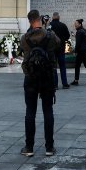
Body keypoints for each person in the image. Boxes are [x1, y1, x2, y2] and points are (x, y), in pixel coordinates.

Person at [20, 9, 61, 157]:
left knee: (30, 112)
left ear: (30, 21)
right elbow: (58, 44)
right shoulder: (50, 36)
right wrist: (46, 28)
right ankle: (49, 147)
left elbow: (23, 52)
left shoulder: (24, 38)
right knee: (47, 111)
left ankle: (29, 147)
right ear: (40, 19)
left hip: (30, 77)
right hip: (47, 78)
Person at [48, 12, 71, 90]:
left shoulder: (49, 26)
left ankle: (55, 85)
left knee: (54, 67)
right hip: (61, 49)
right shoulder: (63, 25)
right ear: (59, 17)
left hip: (52, 49)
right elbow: (68, 36)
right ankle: (65, 84)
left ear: (52, 17)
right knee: (62, 66)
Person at [71, 18, 86, 85]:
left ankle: (76, 80)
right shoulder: (84, 30)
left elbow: (78, 43)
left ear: (80, 24)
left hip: (81, 51)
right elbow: (84, 40)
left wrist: (75, 51)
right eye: (75, 24)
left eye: (76, 24)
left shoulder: (79, 32)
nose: (75, 25)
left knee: (77, 66)